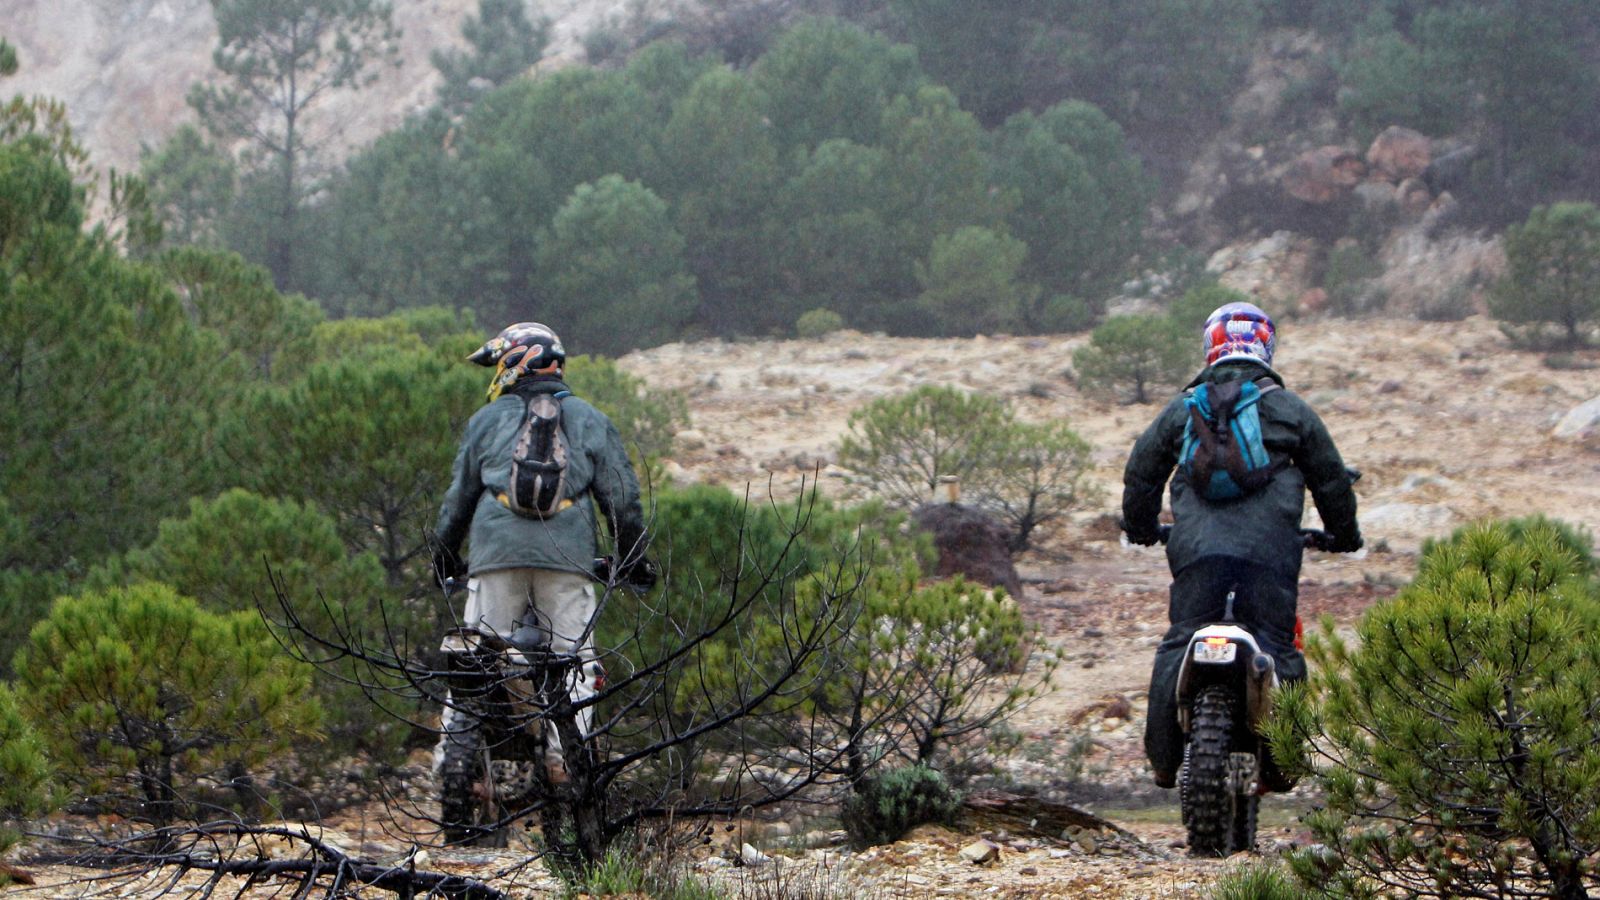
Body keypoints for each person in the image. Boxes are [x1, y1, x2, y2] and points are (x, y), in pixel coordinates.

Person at [1120, 302, 1361, 790]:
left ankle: (1165, 760)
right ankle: (1285, 761)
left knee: (1179, 638)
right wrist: (1344, 536)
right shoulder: (1290, 410)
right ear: (1266, 346)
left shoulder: (1183, 409)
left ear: (1210, 345)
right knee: (1278, 646)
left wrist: (1142, 528)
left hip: (1196, 555)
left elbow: (1141, 473)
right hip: (1270, 557)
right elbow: (1332, 482)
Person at [432, 321, 654, 779]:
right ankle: (562, 757)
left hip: (496, 555)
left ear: (516, 363)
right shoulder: (591, 419)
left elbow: (458, 500)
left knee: (475, 657)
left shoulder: (486, 420)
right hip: (567, 557)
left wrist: (444, 555)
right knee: (576, 662)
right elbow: (622, 501)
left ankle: (450, 756)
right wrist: (633, 559)